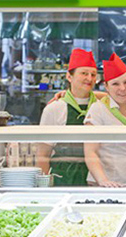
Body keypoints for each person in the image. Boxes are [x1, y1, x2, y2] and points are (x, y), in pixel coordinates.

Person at [37, 48, 98, 186]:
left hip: (96, 180)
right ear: (69, 77)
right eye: (84, 73)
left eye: (93, 74)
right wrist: (44, 188)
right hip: (63, 179)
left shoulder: (101, 107)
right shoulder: (54, 109)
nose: (89, 78)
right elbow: (43, 155)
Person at [84, 53, 126, 187]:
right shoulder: (98, 109)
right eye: (115, 84)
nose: (123, 88)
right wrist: (103, 181)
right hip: (104, 185)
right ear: (106, 86)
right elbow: (90, 152)